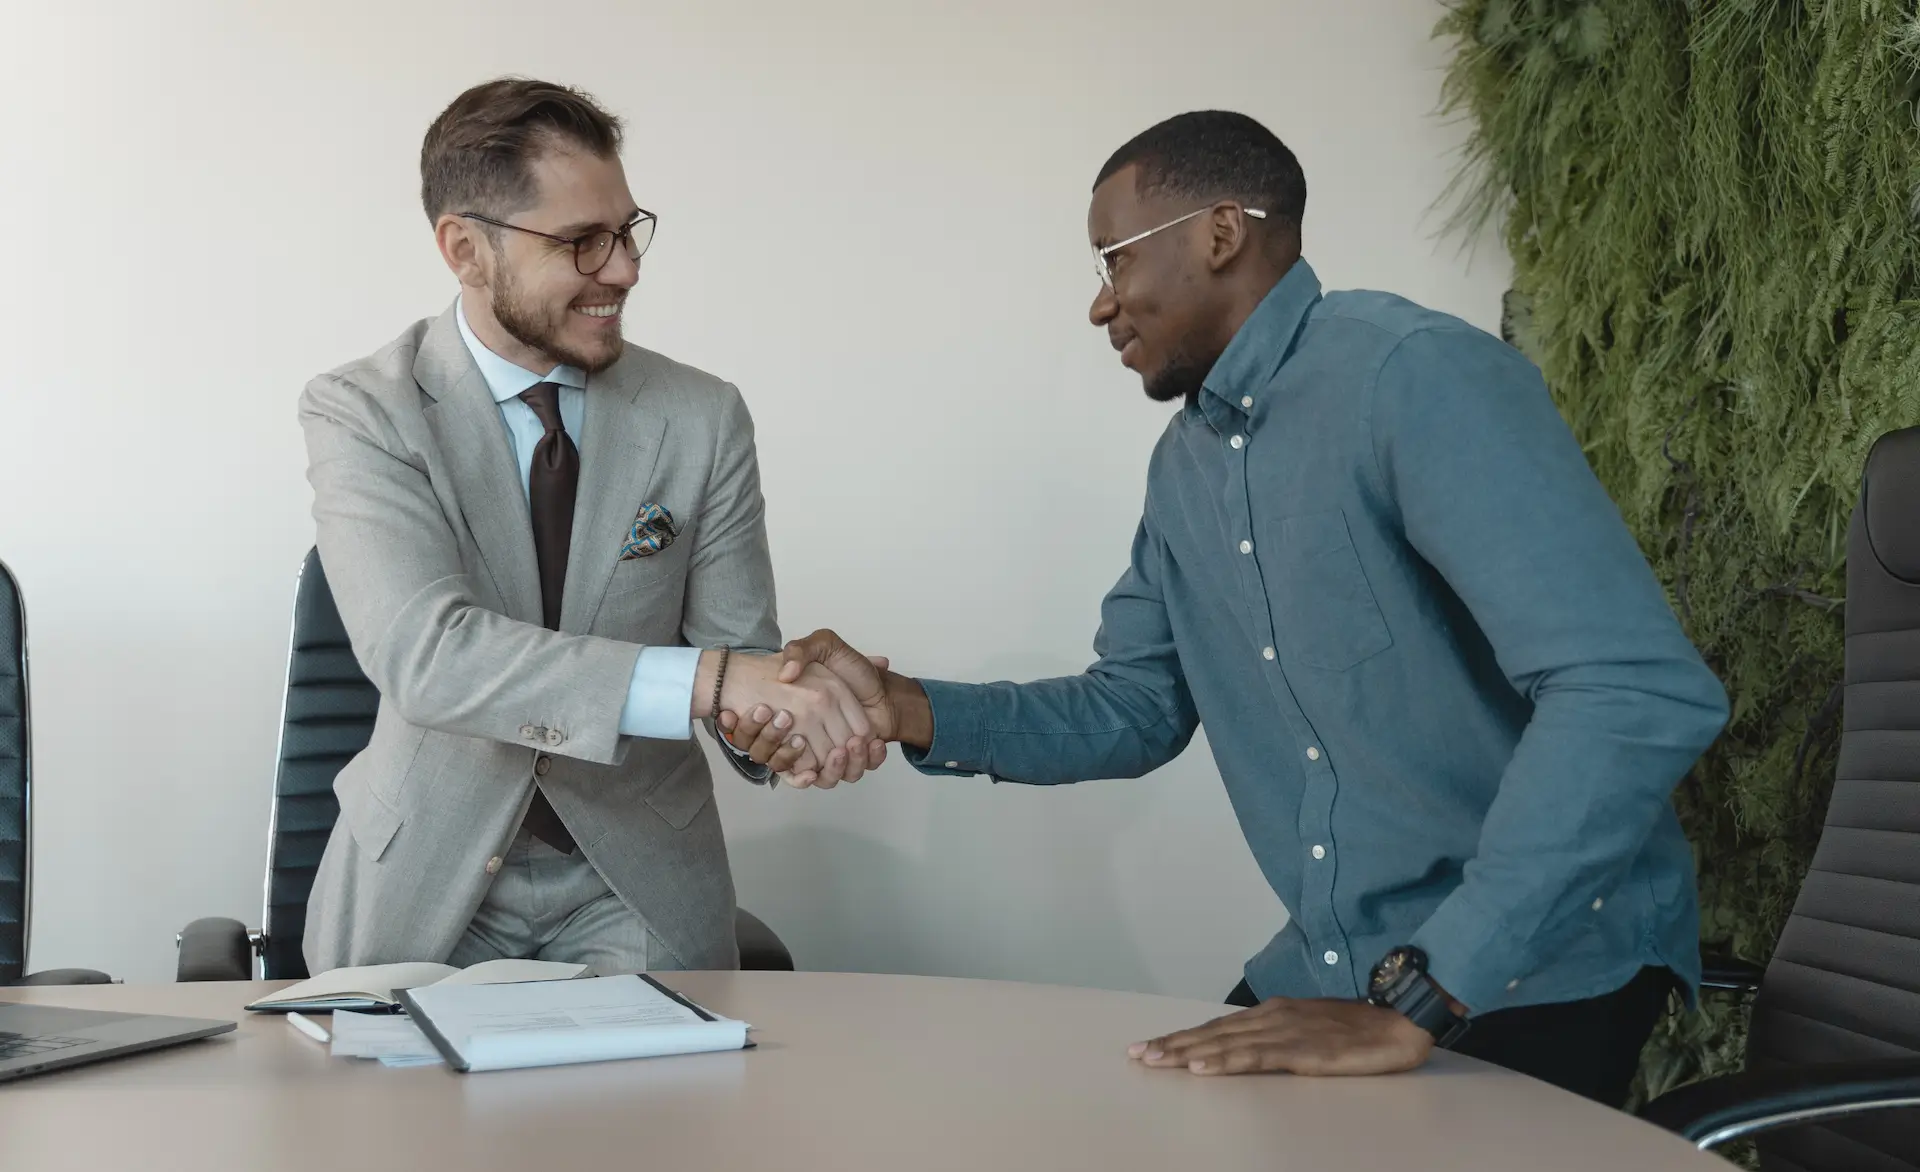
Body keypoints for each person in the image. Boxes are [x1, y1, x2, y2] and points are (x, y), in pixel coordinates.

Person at [721, 111, 1728, 1106]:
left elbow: (1632, 688)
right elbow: (1135, 706)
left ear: (1219, 232)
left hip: (1528, 965)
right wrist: (901, 704)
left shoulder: (1410, 374)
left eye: (1112, 259)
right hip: (1341, 966)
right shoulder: (1185, 466)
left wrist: (1427, 990)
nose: (1099, 304)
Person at [298, 77, 882, 977]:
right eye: (581, 242)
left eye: (628, 230)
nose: (625, 269)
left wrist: (779, 722)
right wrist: (720, 683)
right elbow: (427, 655)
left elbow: (737, 655)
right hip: (425, 880)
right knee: (395, 1119)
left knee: (653, 1121)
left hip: (637, 880)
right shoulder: (364, 411)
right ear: (465, 249)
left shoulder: (702, 416)